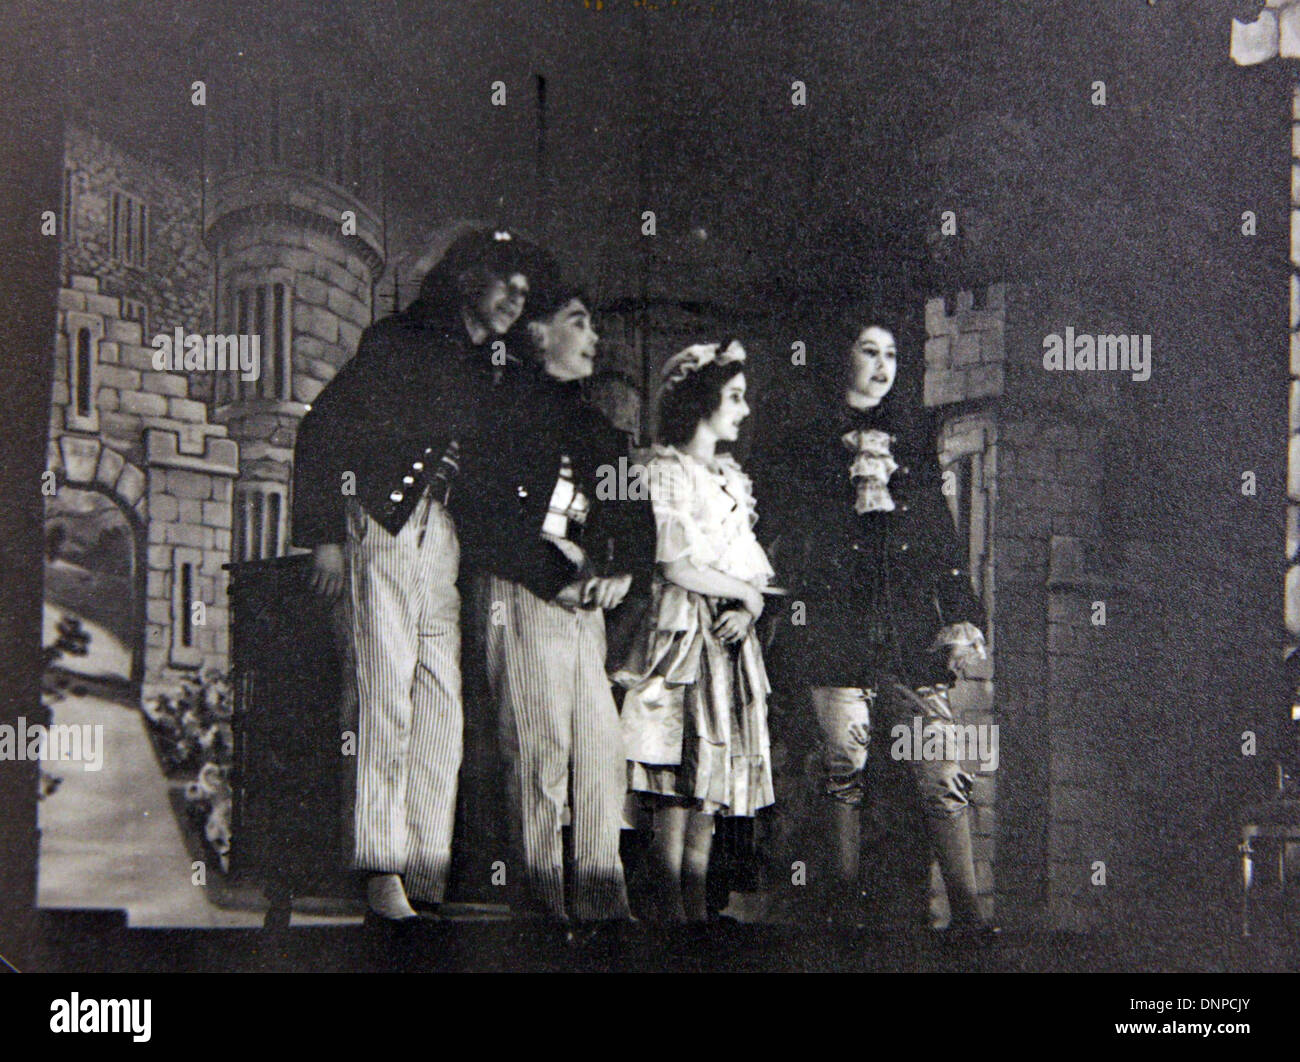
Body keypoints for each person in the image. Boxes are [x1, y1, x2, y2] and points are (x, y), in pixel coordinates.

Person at [290, 227, 551, 923]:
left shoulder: (493, 363)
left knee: (442, 701)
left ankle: (425, 873)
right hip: (380, 521)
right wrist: (322, 538)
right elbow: (319, 430)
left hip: (444, 536)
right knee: (384, 693)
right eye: (506, 284)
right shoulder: (398, 340)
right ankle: (380, 870)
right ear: (468, 278)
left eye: (526, 293)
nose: (517, 300)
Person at [750, 315, 998, 939]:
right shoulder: (806, 444)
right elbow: (772, 529)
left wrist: (965, 612)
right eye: (868, 350)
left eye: (891, 353)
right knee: (844, 767)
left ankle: (969, 917)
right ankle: (843, 911)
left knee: (940, 769)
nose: (882, 364)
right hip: (834, 634)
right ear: (844, 358)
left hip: (908, 637)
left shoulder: (911, 445)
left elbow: (942, 541)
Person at [453, 283, 655, 922]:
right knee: (539, 756)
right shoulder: (497, 410)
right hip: (519, 595)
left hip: (583, 609)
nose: (593, 335)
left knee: (599, 755)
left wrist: (623, 571)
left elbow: (633, 515)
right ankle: (540, 913)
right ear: (538, 334)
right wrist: (555, 576)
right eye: (578, 321)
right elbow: (482, 519)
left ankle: (602, 908)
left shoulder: (594, 426)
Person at [615, 341, 776, 922]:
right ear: (702, 400)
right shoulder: (664, 472)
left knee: (711, 778)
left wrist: (748, 608)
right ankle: (670, 917)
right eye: (733, 397)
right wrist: (746, 595)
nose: (744, 409)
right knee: (672, 774)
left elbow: (746, 566)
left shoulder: (731, 478)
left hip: (725, 642)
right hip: (679, 635)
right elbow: (675, 562)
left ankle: (697, 914)